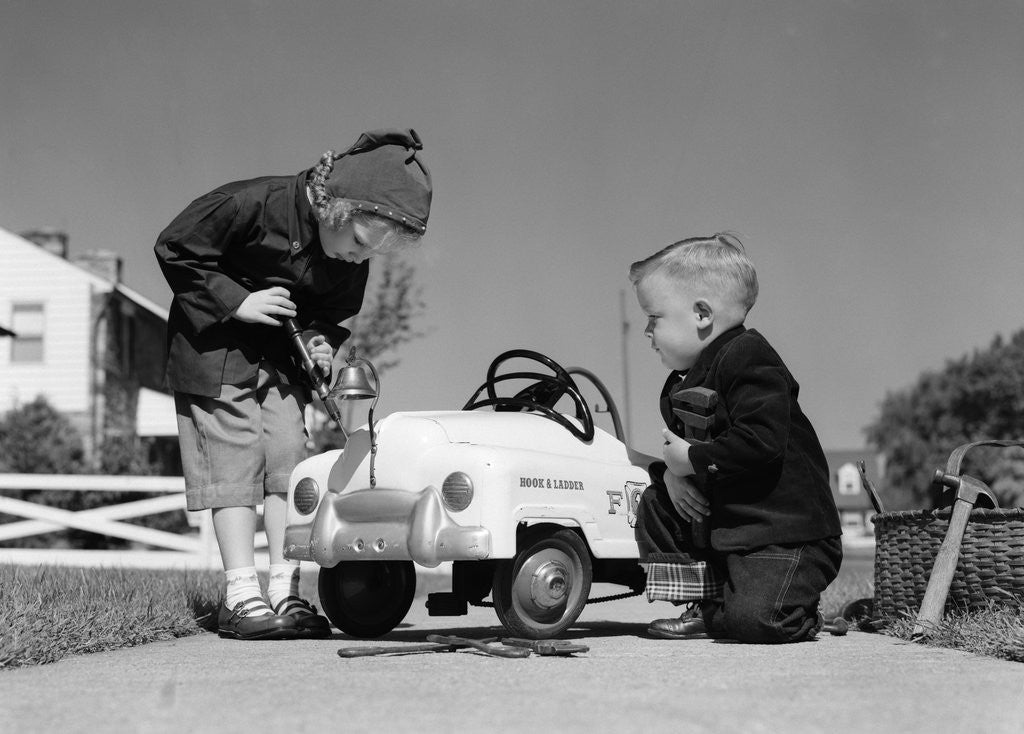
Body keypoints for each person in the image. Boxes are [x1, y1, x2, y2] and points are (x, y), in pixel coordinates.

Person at [154, 129, 432, 640]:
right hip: (214, 351)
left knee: (290, 459)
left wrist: (323, 343)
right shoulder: (249, 203)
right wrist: (238, 302)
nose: (357, 259)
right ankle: (241, 597)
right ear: (334, 209)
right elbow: (176, 247)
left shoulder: (350, 257)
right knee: (234, 458)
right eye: (357, 243)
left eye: (369, 254)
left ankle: (286, 591)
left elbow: (334, 314)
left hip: (281, 360)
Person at [629, 233, 842, 643]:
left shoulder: (749, 356)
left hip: (784, 534)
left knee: (754, 623)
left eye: (654, 317)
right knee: (656, 501)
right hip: (730, 530)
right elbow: (684, 458)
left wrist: (691, 460)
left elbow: (761, 441)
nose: (647, 331)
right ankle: (704, 602)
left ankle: (797, 611)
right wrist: (675, 476)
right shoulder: (680, 385)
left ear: (702, 314)